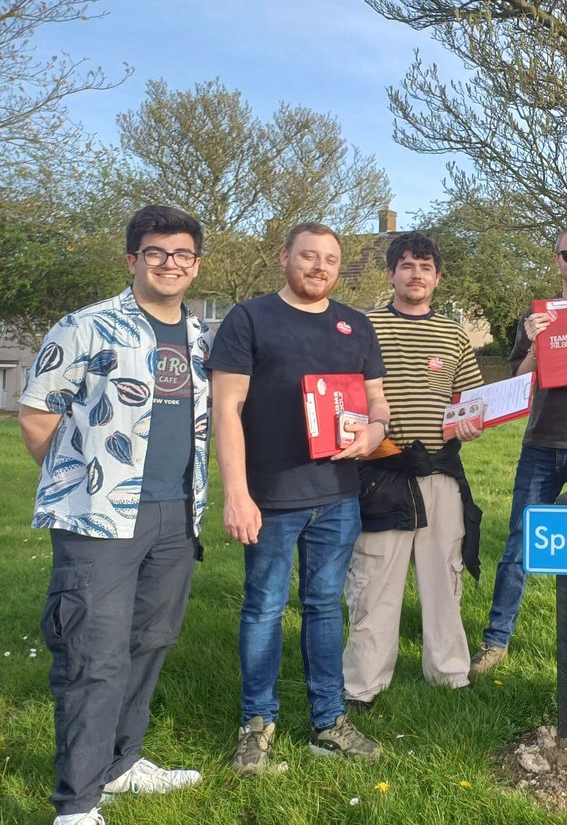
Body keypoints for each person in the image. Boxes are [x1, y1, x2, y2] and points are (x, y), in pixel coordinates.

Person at [20, 206, 210, 825]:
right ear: (133, 259)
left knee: (147, 643)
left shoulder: (204, 339)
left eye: (182, 254)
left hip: (177, 515)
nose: (171, 263)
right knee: (92, 656)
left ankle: (123, 764)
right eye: (157, 252)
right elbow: (38, 414)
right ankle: (76, 806)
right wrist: (83, 480)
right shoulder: (85, 327)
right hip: (99, 520)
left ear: (196, 264)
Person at [210, 222, 389, 776]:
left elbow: (379, 410)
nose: (319, 267)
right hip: (271, 496)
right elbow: (226, 410)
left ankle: (328, 721)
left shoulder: (356, 325)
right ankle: (257, 725)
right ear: (285, 258)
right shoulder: (249, 318)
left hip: (338, 496)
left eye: (330, 260)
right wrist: (237, 494)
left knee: (323, 606)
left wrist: (371, 436)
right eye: (308, 257)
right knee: (263, 608)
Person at [469, 225, 567, 692]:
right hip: (540, 443)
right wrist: (537, 345)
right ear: (556, 260)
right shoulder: (535, 316)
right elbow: (518, 382)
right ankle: (497, 641)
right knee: (519, 544)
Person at [342, 231, 486, 698]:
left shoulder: (454, 333)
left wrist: (473, 422)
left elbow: (472, 400)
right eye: (406, 265)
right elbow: (346, 396)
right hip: (382, 470)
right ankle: (363, 684)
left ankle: (448, 672)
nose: (416, 274)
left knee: (444, 577)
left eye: (425, 267)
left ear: (437, 278)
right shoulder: (364, 327)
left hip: (441, 471)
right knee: (375, 582)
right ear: (391, 274)